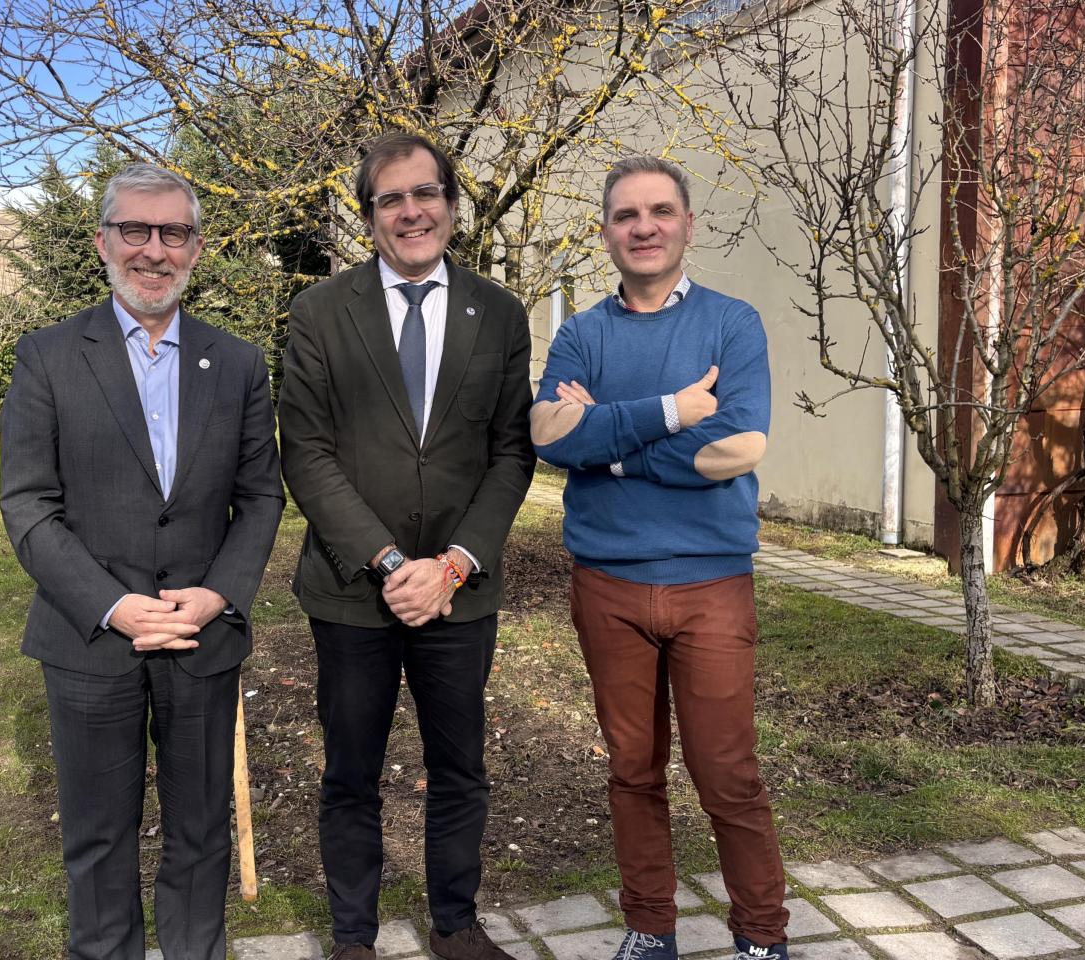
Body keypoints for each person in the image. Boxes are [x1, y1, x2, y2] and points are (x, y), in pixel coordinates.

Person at [0, 163, 284, 960]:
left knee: (202, 833)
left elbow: (262, 497)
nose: (154, 250)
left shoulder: (238, 364)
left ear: (197, 248)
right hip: (90, 640)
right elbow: (28, 504)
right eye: (135, 229)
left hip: (201, 637)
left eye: (173, 233)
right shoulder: (48, 357)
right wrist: (115, 606)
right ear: (102, 241)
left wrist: (220, 594)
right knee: (97, 840)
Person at [278, 132, 536, 960]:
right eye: (390, 198)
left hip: (461, 591)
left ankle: (455, 925)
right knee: (351, 771)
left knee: (459, 767)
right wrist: (392, 564)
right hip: (354, 590)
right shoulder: (321, 312)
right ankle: (353, 936)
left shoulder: (500, 314)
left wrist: (453, 565)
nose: (411, 211)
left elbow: (511, 452)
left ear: (452, 206)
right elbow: (305, 452)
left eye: (426, 193)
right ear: (369, 217)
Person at [530, 156, 789, 960]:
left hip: (711, 586)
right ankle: (650, 929)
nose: (644, 227)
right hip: (608, 586)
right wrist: (673, 411)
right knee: (632, 770)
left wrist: (605, 442)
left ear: (687, 225)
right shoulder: (581, 332)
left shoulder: (732, 324)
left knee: (727, 773)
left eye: (660, 211)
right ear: (607, 232)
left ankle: (761, 937)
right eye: (626, 215)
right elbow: (547, 437)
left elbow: (737, 448)